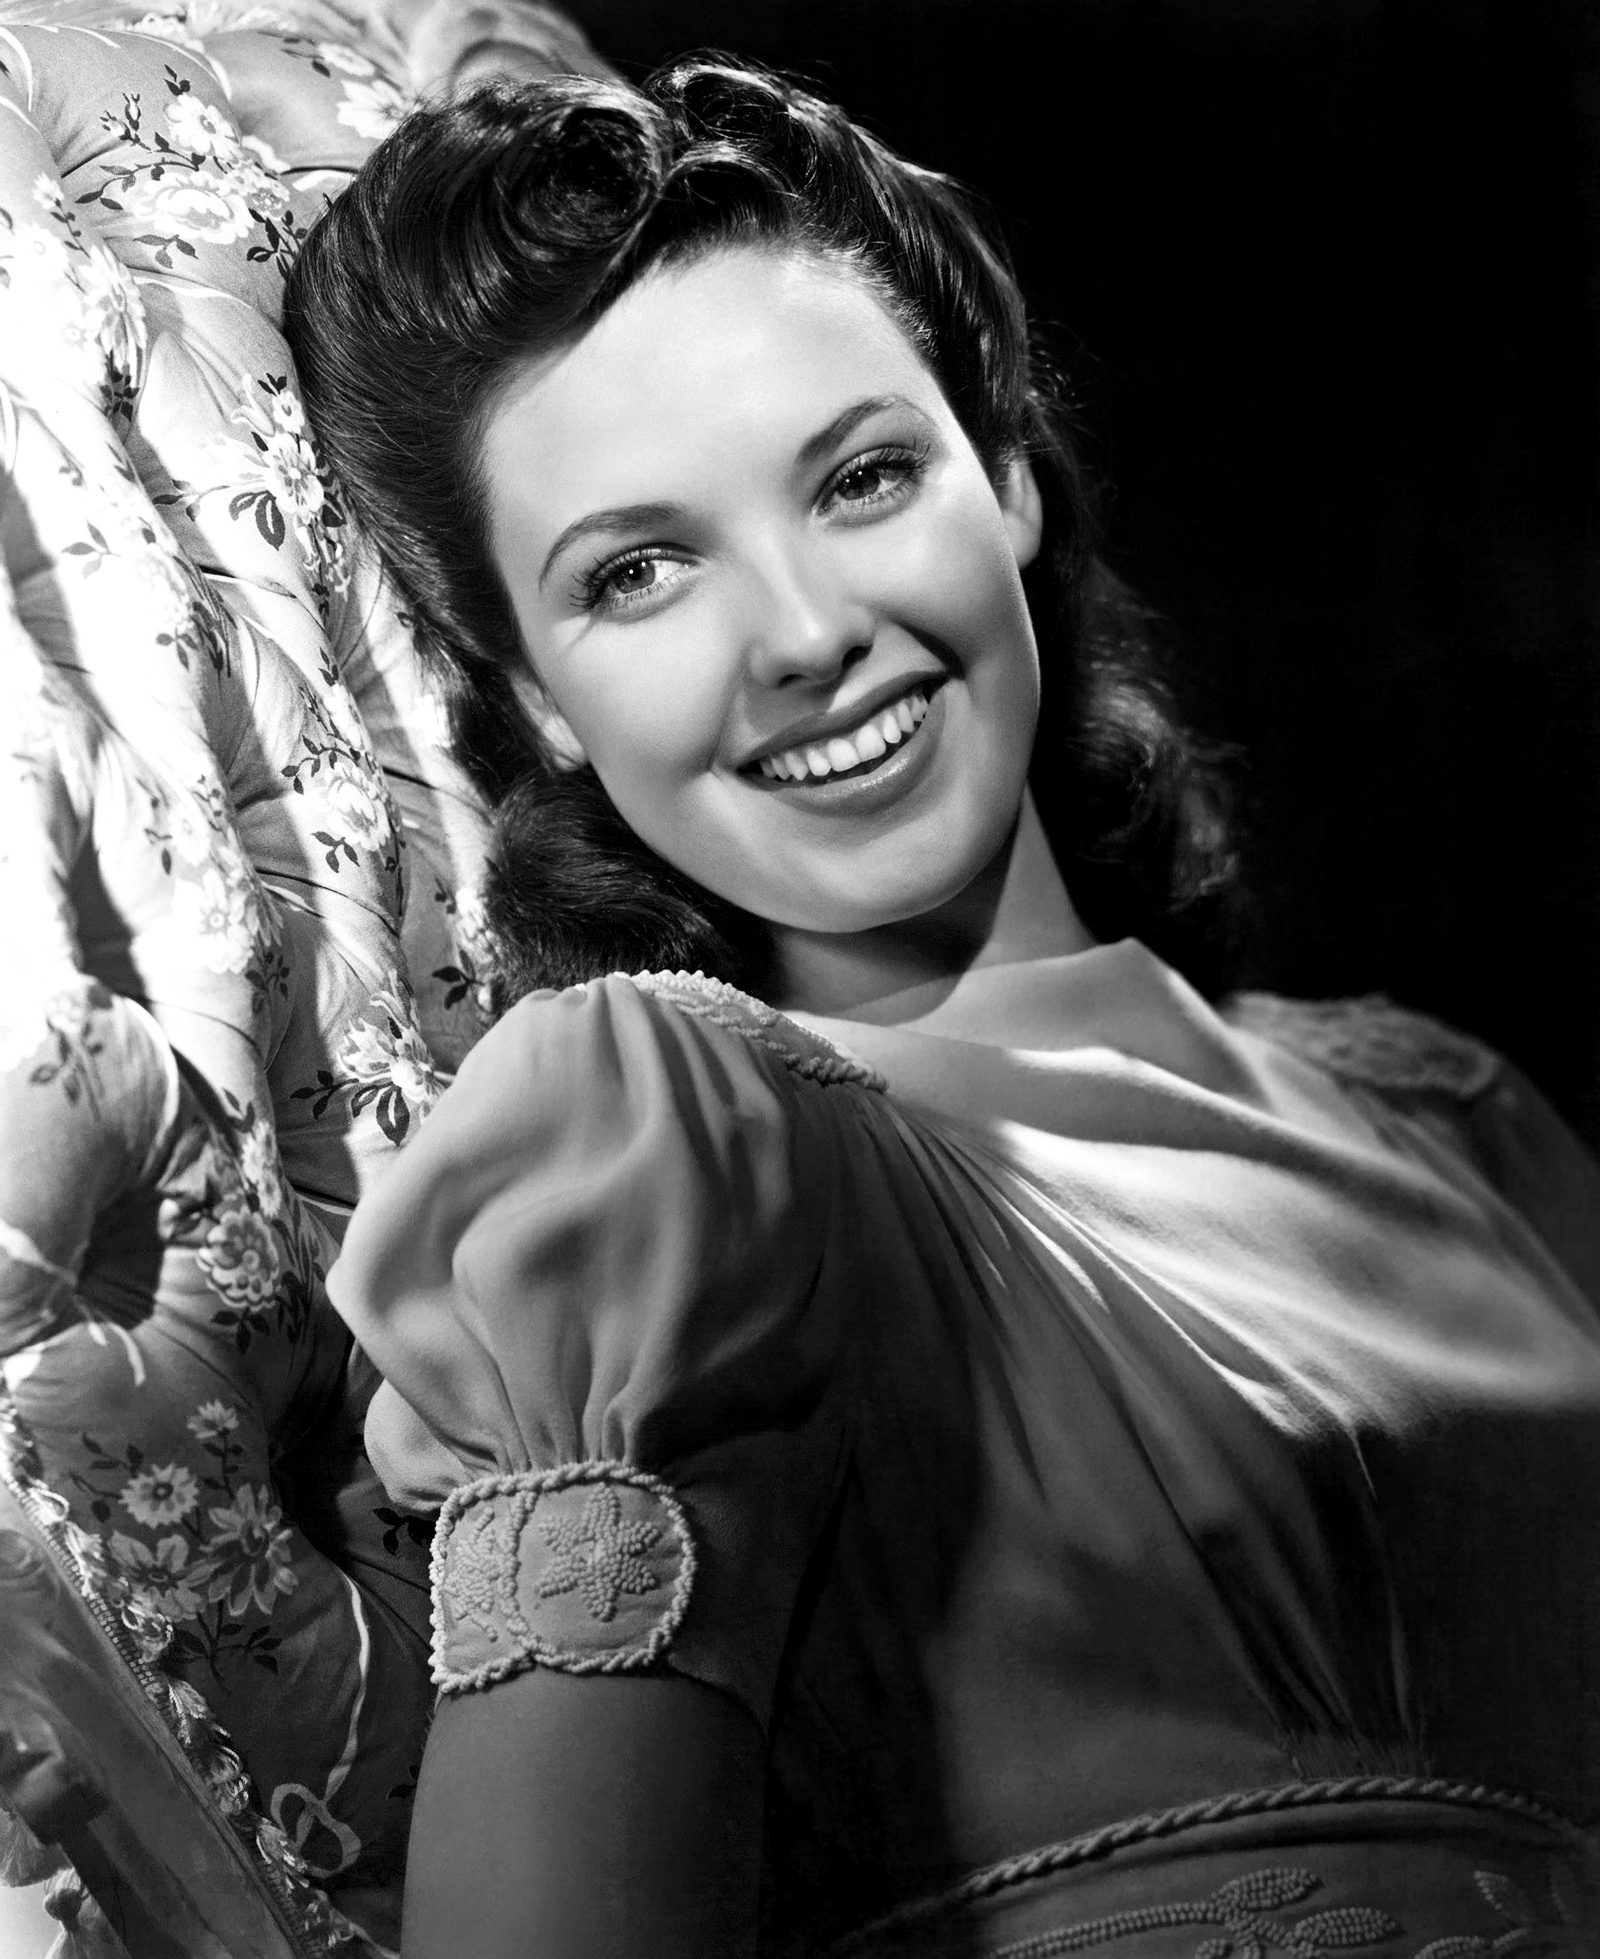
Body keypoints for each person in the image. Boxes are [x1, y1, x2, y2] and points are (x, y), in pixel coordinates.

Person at [284, 57, 1600, 1958]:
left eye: (862, 479)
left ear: (1012, 478)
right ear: (540, 700)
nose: (808, 633)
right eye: (639, 573)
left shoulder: (1458, 1115)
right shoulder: (655, 1143)